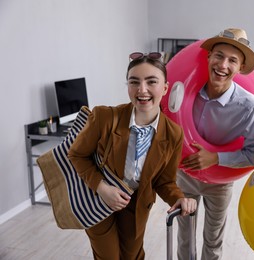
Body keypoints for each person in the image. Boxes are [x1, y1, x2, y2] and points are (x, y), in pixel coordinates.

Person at [68, 52, 197, 260]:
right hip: (99, 200)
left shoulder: (173, 133)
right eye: (134, 82)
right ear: (127, 86)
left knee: (133, 256)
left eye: (151, 82)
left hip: (136, 205)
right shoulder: (104, 117)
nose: (142, 90)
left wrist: (179, 198)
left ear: (165, 88)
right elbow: (76, 155)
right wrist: (102, 188)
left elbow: (164, 181)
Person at [176, 28, 254, 260]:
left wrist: (216, 158)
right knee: (184, 235)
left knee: (213, 238)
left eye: (232, 60)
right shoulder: (186, 90)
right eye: (219, 55)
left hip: (220, 180)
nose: (223, 65)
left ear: (239, 68)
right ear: (208, 57)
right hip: (185, 175)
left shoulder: (249, 106)